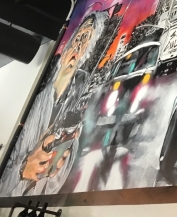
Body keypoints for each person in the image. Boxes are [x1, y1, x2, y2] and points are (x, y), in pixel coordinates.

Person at [0, 11, 108, 196]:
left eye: (86, 40)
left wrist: (61, 164)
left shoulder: (77, 99)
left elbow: (57, 181)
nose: (78, 45)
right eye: (78, 37)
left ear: (88, 51)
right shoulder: (38, 103)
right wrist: (22, 171)